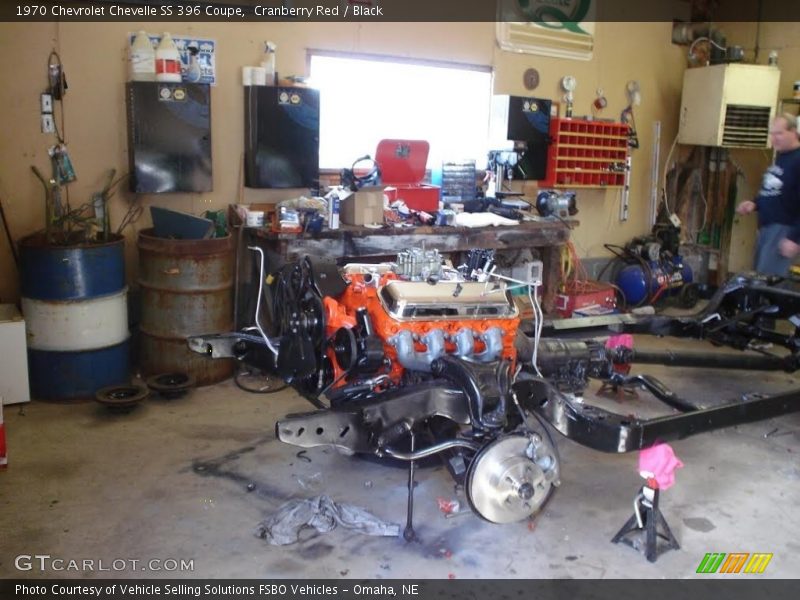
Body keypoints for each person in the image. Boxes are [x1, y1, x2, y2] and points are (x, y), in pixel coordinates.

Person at [736, 113, 800, 276]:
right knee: (760, 278)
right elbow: (776, 191)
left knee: (769, 283)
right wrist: (755, 203)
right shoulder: (781, 158)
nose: (774, 138)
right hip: (767, 229)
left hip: (783, 230)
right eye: (772, 134)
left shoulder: (797, 160)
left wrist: (794, 238)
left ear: (793, 132)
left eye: (779, 133)